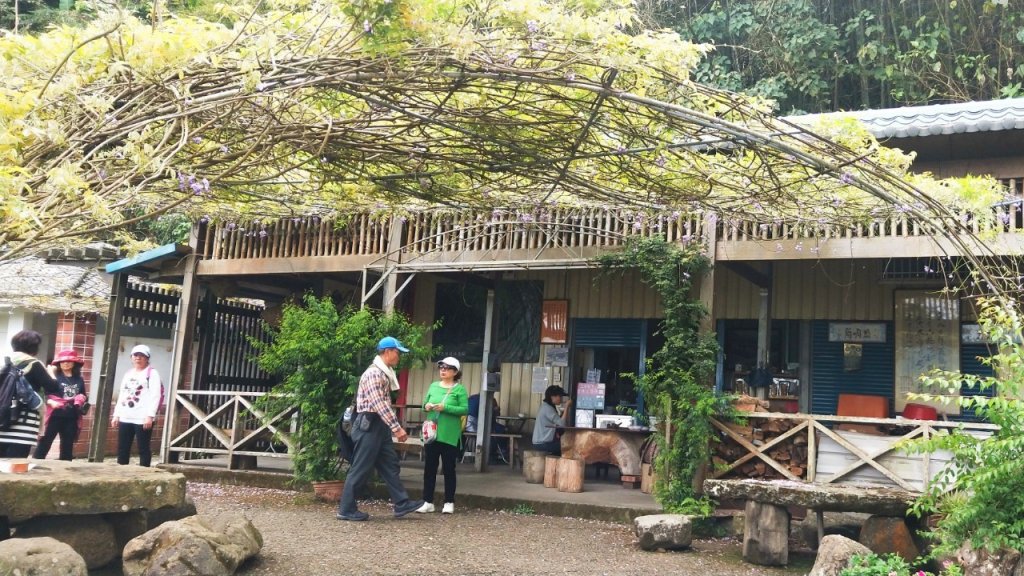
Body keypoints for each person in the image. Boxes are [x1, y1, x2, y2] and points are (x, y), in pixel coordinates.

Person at [337, 336, 428, 521]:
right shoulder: (374, 374)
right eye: (397, 352)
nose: (399, 357)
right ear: (387, 352)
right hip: (369, 424)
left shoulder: (383, 372)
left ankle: (401, 503)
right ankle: (346, 509)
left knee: (389, 464)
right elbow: (379, 404)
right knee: (361, 467)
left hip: (378, 425)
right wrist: (397, 428)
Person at [417, 356, 469, 515]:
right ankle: (427, 501)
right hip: (432, 434)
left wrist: (445, 407)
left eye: (447, 368)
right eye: (441, 367)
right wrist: (427, 406)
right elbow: (424, 406)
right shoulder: (433, 386)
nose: (443, 370)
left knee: (449, 469)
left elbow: (464, 410)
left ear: (455, 372)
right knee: (429, 468)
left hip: (450, 435)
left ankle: (449, 501)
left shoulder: (459, 389)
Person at [0, 330, 59, 458]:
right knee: (16, 465)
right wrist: (51, 372)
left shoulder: (5, 362)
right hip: (24, 422)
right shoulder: (34, 364)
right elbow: (53, 388)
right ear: (34, 347)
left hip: (2, 417)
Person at [111, 344, 162, 467]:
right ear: (131, 358)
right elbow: (122, 394)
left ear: (147, 358)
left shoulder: (152, 373)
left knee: (143, 447)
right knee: (123, 448)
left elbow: (156, 395)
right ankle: (121, 473)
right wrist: (116, 415)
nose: (138, 358)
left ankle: (144, 473)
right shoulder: (128, 374)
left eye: (141, 355)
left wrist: (150, 415)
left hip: (142, 417)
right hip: (126, 415)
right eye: (135, 355)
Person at [34, 349, 88, 460]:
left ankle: (66, 471)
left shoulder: (79, 379)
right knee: (44, 443)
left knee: (67, 447)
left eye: (69, 361)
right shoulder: (53, 376)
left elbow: (83, 394)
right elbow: (43, 393)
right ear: (59, 363)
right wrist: (50, 401)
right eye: (63, 361)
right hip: (54, 415)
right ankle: (36, 466)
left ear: (74, 363)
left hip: (72, 416)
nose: (66, 363)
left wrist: (81, 398)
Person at [531, 385, 572, 456]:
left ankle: (555, 464)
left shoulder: (546, 406)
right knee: (568, 446)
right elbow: (562, 424)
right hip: (542, 443)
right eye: (560, 396)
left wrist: (563, 412)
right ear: (553, 397)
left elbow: (558, 422)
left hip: (541, 442)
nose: (561, 399)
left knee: (562, 445)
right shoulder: (548, 409)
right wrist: (567, 407)